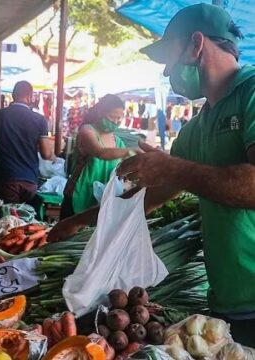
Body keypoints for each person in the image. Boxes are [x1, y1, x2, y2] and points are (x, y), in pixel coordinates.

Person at [49, 4, 255, 347]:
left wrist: (174, 167)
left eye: (169, 58)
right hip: (227, 298)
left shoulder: (252, 93)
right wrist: (81, 220)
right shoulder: (196, 127)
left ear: (196, 45)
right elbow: (157, 192)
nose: (166, 72)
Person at [61, 95, 137, 219]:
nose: (116, 121)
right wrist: (130, 151)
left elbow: (123, 169)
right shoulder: (87, 131)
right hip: (79, 194)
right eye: (112, 117)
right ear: (100, 112)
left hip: (101, 201)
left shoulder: (117, 142)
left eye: (119, 118)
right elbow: (100, 152)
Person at [0, 81, 53, 203]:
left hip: (7, 177)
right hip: (30, 179)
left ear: (13, 95)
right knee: (27, 219)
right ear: (30, 97)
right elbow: (46, 154)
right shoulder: (39, 120)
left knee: (8, 219)